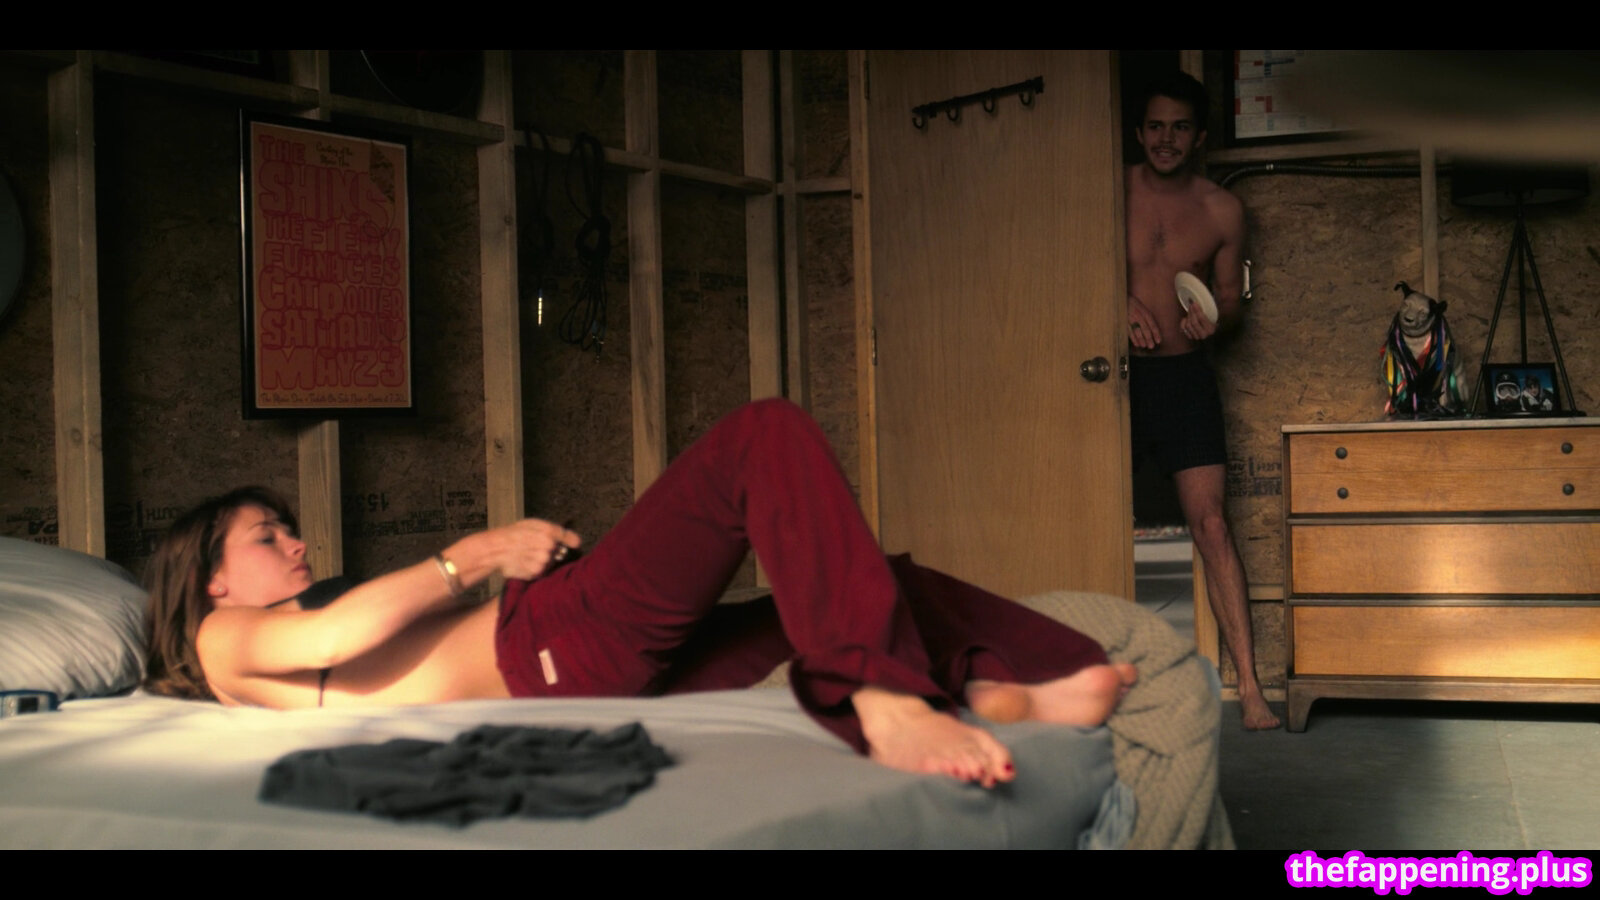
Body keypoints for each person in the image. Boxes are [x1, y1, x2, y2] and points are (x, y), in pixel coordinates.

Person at [144, 399, 1136, 788]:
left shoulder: (281, 624)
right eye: (267, 535)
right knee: (761, 438)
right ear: (211, 575)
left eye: (289, 526)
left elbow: (371, 638)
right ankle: (882, 694)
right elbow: (339, 637)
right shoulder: (224, 637)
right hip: (556, 643)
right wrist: (478, 553)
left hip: (590, 675)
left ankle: (1000, 682)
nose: (297, 541)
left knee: (871, 588)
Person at [1124, 71, 1279, 730]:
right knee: (1095, 524)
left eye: (1180, 127)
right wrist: (1117, 302)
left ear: (1199, 137)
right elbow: (1066, 268)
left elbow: (1233, 304)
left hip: (1185, 380)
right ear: (1139, 133)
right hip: (1111, 381)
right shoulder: (1109, 191)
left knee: (1212, 526)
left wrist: (1215, 318)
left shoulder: (1222, 210)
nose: (1167, 139)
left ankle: (1251, 690)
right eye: (1156, 126)